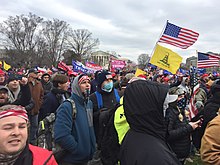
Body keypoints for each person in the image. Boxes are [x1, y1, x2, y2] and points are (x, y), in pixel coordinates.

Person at [120, 79, 181, 165]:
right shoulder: (157, 158)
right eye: (164, 107)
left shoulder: (137, 133)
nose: (167, 110)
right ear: (150, 110)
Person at [54, 74, 96, 165]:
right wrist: (78, 150)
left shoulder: (89, 104)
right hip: (71, 160)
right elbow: (61, 135)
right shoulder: (67, 106)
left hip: (85, 159)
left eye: (89, 82)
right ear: (76, 86)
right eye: (84, 83)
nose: (87, 85)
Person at [165, 88, 200, 164]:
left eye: (183, 96)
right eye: (180, 97)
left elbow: (181, 126)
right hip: (175, 151)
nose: (182, 99)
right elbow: (169, 134)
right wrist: (189, 127)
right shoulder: (170, 113)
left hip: (182, 149)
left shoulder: (179, 110)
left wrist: (192, 126)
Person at [27, 71, 44, 145]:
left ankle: (33, 142)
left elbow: (42, 95)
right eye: (32, 76)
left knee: (34, 126)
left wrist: (39, 104)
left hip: (36, 110)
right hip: (26, 110)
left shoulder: (39, 84)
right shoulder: (25, 84)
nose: (34, 77)